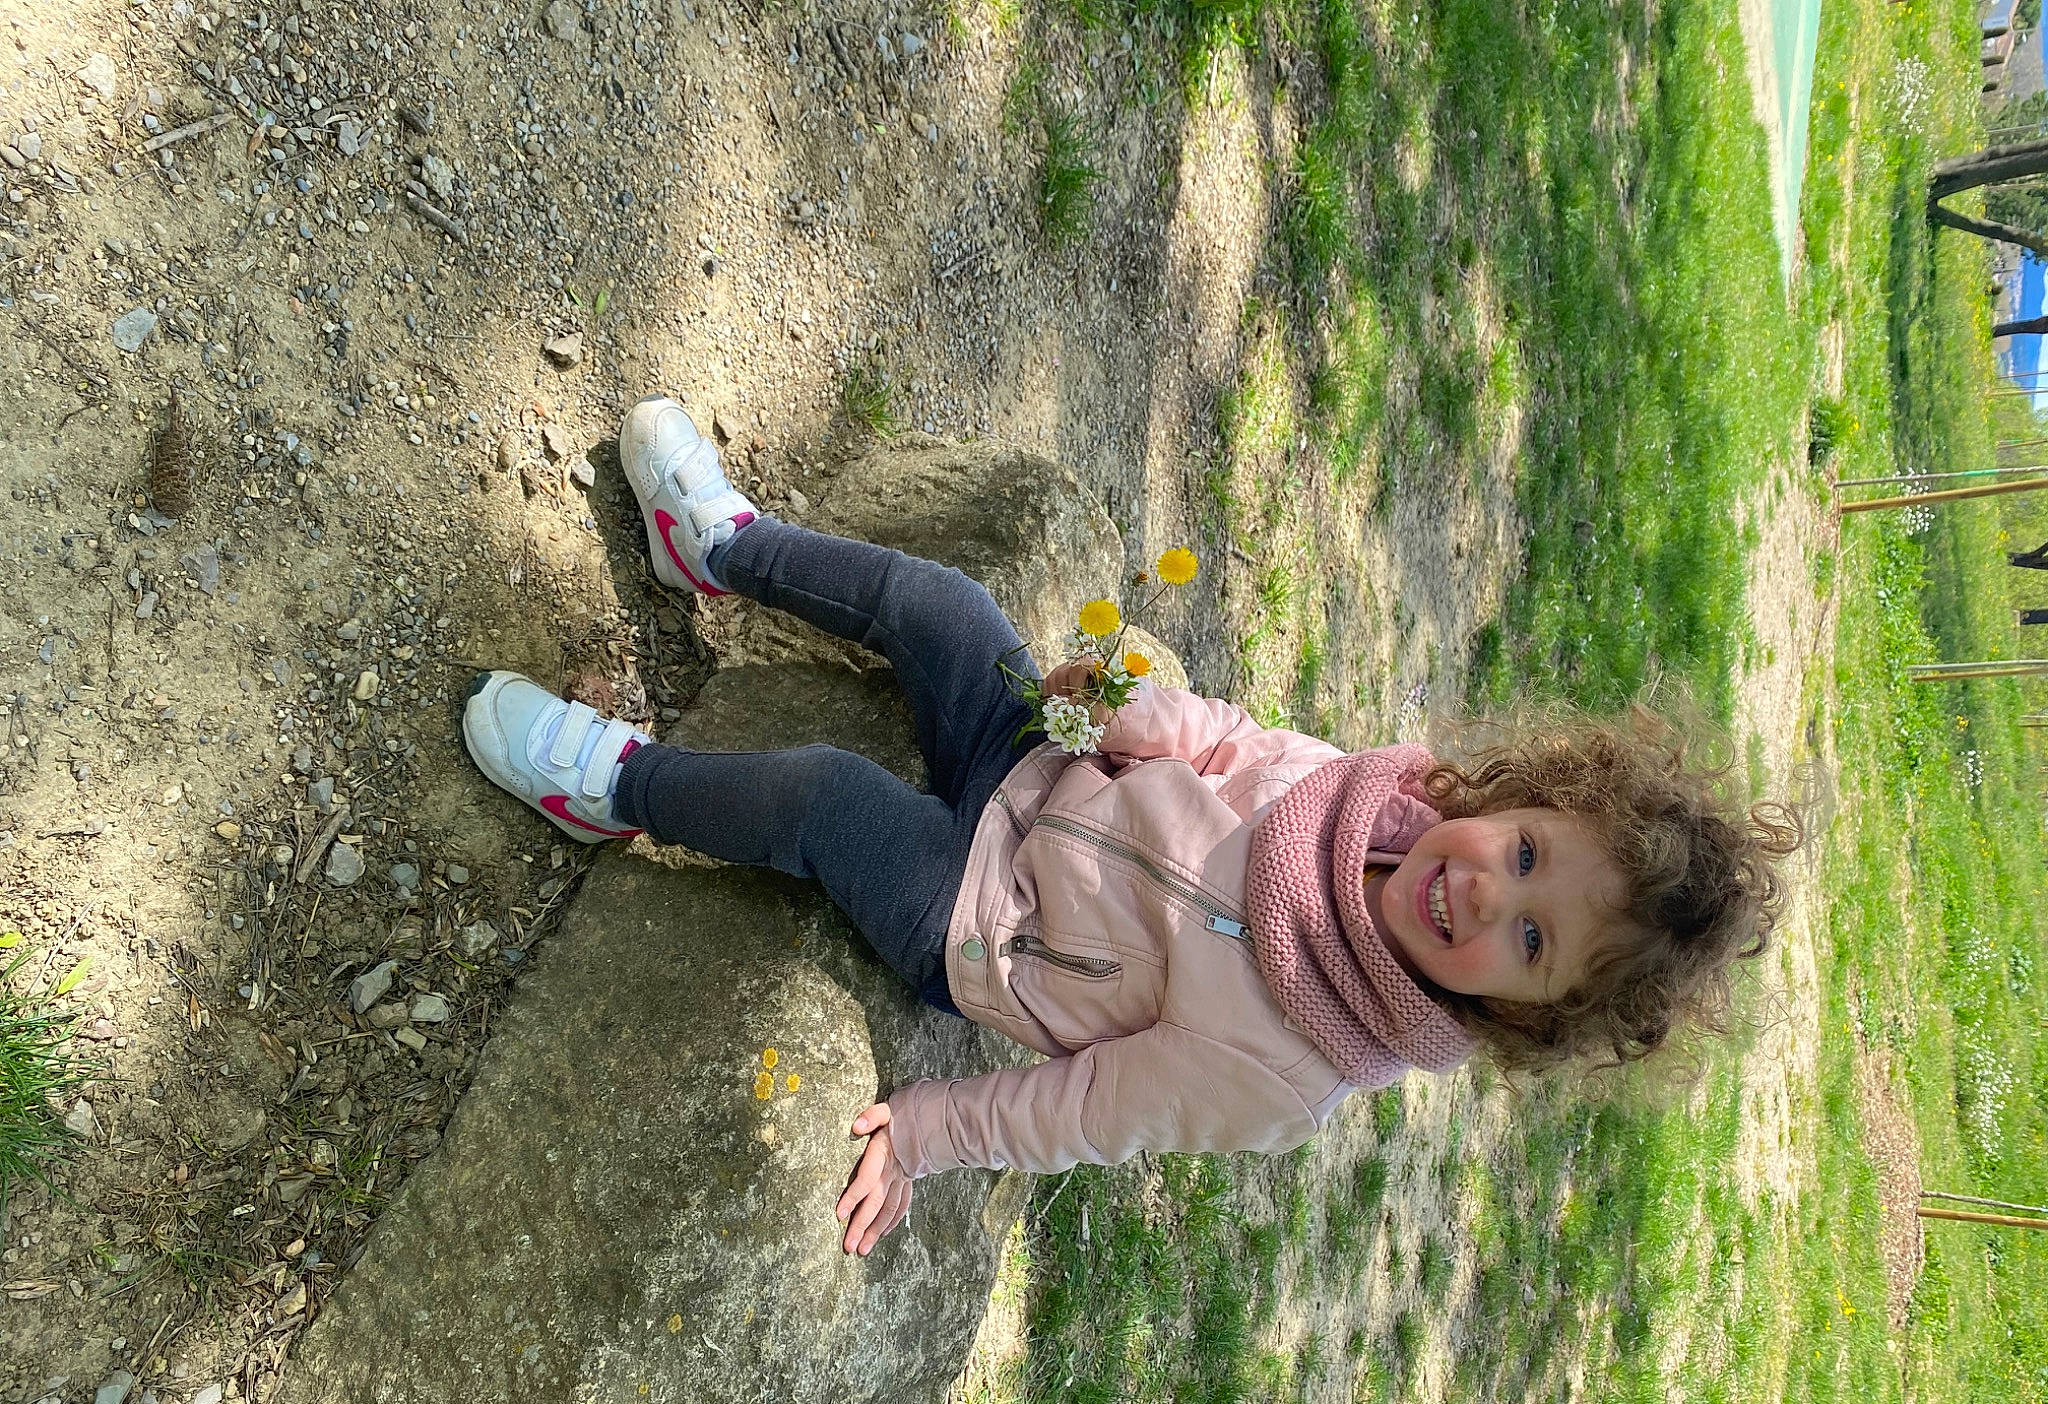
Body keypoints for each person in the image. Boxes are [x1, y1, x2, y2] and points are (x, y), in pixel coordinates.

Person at [460, 396, 1803, 1257]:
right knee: (945, 614)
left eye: (1526, 942)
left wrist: (931, 1135)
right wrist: (1133, 711)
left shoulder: (1294, 1067)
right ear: (1519, 797)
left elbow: (1091, 1109)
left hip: (983, 923)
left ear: (1521, 1014)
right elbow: (1226, 741)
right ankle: (725, 550)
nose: (1481, 894)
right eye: (1523, 857)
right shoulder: (1366, 795)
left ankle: (615, 791)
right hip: (1039, 769)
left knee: (825, 797)